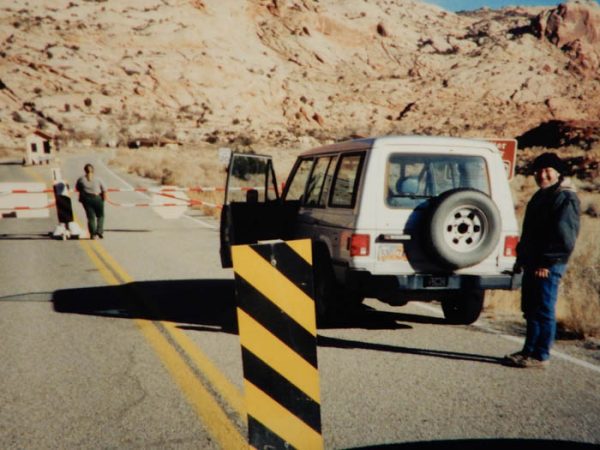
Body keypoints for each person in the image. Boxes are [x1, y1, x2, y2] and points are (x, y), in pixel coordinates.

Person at [504, 152, 580, 369]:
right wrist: (522, 258)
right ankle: (528, 350)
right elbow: (530, 232)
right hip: (533, 262)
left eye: (547, 171)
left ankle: (540, 355)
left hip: (547, 264)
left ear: (557, 173)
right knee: (530, 309)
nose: (542, 175)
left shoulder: (564, 197)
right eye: (538, 171)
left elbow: (564, 237)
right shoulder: (542, 195)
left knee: (544, 308)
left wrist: (546, 263)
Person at [75, 163, 107, 239]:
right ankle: (99, 231)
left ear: (85, 171)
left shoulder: (81, 179)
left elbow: (78, 188)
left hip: (87, 199)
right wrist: (103, 198)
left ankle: (92, 234)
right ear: (93, 170)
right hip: (97, 198)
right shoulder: (98, 179)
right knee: (100, 216)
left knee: (90, 217)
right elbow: (104, 189)